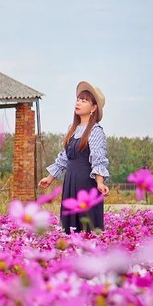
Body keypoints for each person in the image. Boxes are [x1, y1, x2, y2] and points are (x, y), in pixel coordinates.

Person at [39, 81, 110, 233]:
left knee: (86, 225)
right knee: (70, 227)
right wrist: (49, 178)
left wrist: (100, 183)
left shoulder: (95, 131)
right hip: (70, 182)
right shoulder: (73, 129)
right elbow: (64, 158)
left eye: (84, 101)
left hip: (86, 184)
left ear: (93, 108)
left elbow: (98, 160)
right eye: (78, 99)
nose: (78, 102)